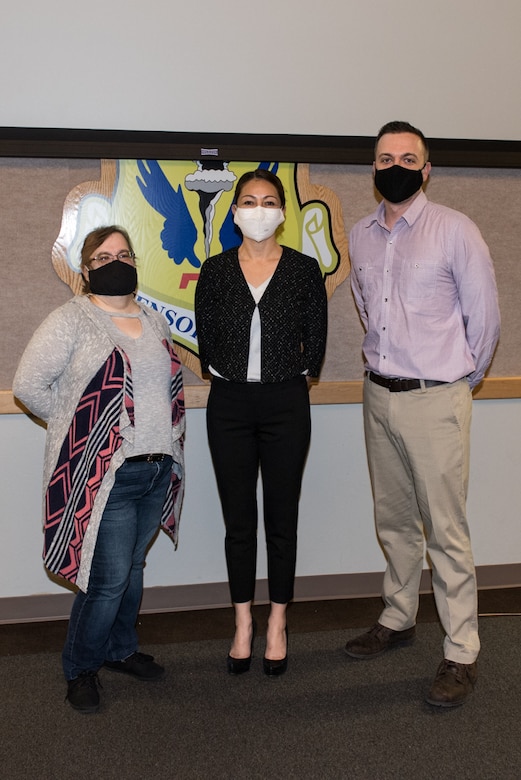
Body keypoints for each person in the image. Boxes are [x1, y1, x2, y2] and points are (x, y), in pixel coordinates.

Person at [345, 121, 500, 706]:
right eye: (385, 157)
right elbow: (367, 307)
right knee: (395, 520)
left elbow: (484, 321)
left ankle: (462, 651)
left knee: (447, 532)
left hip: (436, 397)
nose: (396, 165)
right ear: (374, 167)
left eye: (408, 157)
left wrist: (458, 381)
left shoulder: (455, 231)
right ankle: (399, 615)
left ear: (426, 168)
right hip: (377, 394)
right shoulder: (360, 235)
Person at [13, 225, 185, 714]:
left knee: (131, 569)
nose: (117, 261)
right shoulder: (71, 319)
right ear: (86, 269)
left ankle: (119, 649)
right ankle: (81, 667)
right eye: (104, 255)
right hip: (106, 473)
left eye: (125, 253)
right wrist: (79, 431)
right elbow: (29, 385)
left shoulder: (154, 320)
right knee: (105, 579)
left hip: (157, 468)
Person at [195, 169, 327, 677]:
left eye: (269, 201)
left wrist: (292, 374)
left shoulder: (302, 270)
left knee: (281, 517)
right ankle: (242, 622)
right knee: (238, 522)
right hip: (228, 404)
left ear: (282, 212)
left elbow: (315, 340)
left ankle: (277, 621)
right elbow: (207, 339)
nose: (258, 209)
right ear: (233, 212)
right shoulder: (215, 270)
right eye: (247, 201)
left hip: (285, 403)